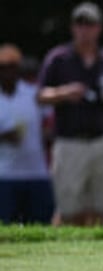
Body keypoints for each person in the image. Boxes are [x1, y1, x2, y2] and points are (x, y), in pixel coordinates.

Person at [37, 2, 103, 227]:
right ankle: (62, 251)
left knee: (102, 207)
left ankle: (99, 254)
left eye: (90, 24)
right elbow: (40, 95)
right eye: (80, 24)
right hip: (69, 141)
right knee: (69, 209)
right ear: (73, 27)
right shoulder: (58, 58)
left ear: (99, 28)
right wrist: (64, 93)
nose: (85, 29)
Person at [0, 44, 54, 224]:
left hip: (36, 173)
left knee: (41, 223)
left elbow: (50, 121)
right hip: (5, 175)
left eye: (12, 67)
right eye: (3, 68)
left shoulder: (33, 94)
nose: (8, 73)